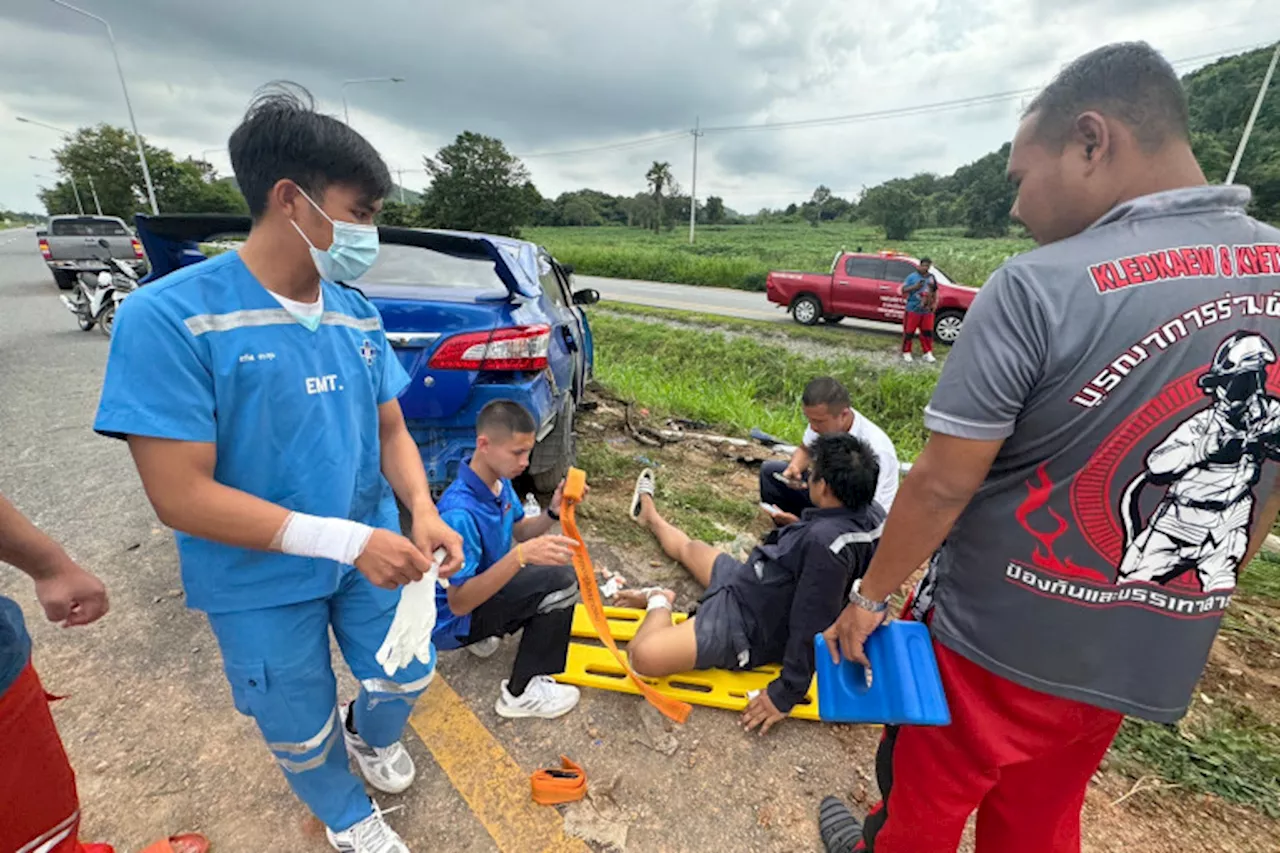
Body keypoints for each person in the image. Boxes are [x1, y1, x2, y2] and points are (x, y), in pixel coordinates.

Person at [817, 42, 1280, 853]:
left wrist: (870, 598)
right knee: (1039, 817)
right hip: (1141, 640)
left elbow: (940, 483)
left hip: (996, 641)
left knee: (922, 806)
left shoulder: (1039, 284)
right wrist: (1205, 589)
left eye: (1020, 178)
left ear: (1092, 141)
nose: (1015, 208)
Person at [94, 84, 464, 853]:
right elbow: (180, 495)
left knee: (407, 671)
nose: (369, 231)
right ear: (292, 199)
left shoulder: (356, 310)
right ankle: (347, 814)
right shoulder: (169, 318)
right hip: (255, 577)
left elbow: (390, 426)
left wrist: (422, 511)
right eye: (360, 211)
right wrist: (346, 540)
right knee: (295, 719)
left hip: (367, 554)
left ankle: (369, 735)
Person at [618, 433, 884, 735]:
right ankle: (650, 516)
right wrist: (797, 528)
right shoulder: (872, 515)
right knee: (691, 549)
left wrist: (785, 694)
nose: (808, 478)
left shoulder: (825, 546)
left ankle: (658, 598)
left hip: (746, 624)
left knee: (643, 657)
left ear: (824, 487)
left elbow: (810, 623)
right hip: (755, 579)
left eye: (813, 474)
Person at [432, 400, 583, 719]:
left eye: (528, 452)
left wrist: (554, 510)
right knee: (562, 582)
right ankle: (521, 693)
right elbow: (457, 603)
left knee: (544, 567)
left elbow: (523, 530)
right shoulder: (458, 514)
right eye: (517, 453)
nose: (525, 462)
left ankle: (490, 631)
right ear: (484, 444)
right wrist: (520, 558)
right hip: (453, 620)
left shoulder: (498, 484)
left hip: (481, 593)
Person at [760, 377, 899, 522]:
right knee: (770, 472)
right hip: (828, 492)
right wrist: (794, 467)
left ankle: (806, 533)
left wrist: (804, 527)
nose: (813, 427)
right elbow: (805, 449)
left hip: (858, 516)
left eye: (818, 421)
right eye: (810, 420)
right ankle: (787, 531)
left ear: (844, 415)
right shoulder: (823, 422)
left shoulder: (877, 448)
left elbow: (867, 510)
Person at [899, 257, 937, 363]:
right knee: (909, 332)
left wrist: (934, 303)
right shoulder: (912, 277)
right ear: (919, 265)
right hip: (913, 309)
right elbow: (903, 289)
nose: (925, 268)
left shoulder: (931, 277)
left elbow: (935, 291)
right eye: (923, 265)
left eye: (927, 266)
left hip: (927, 310)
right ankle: (906, 352)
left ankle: (927, 352)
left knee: (927, 332)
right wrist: (915, 287)